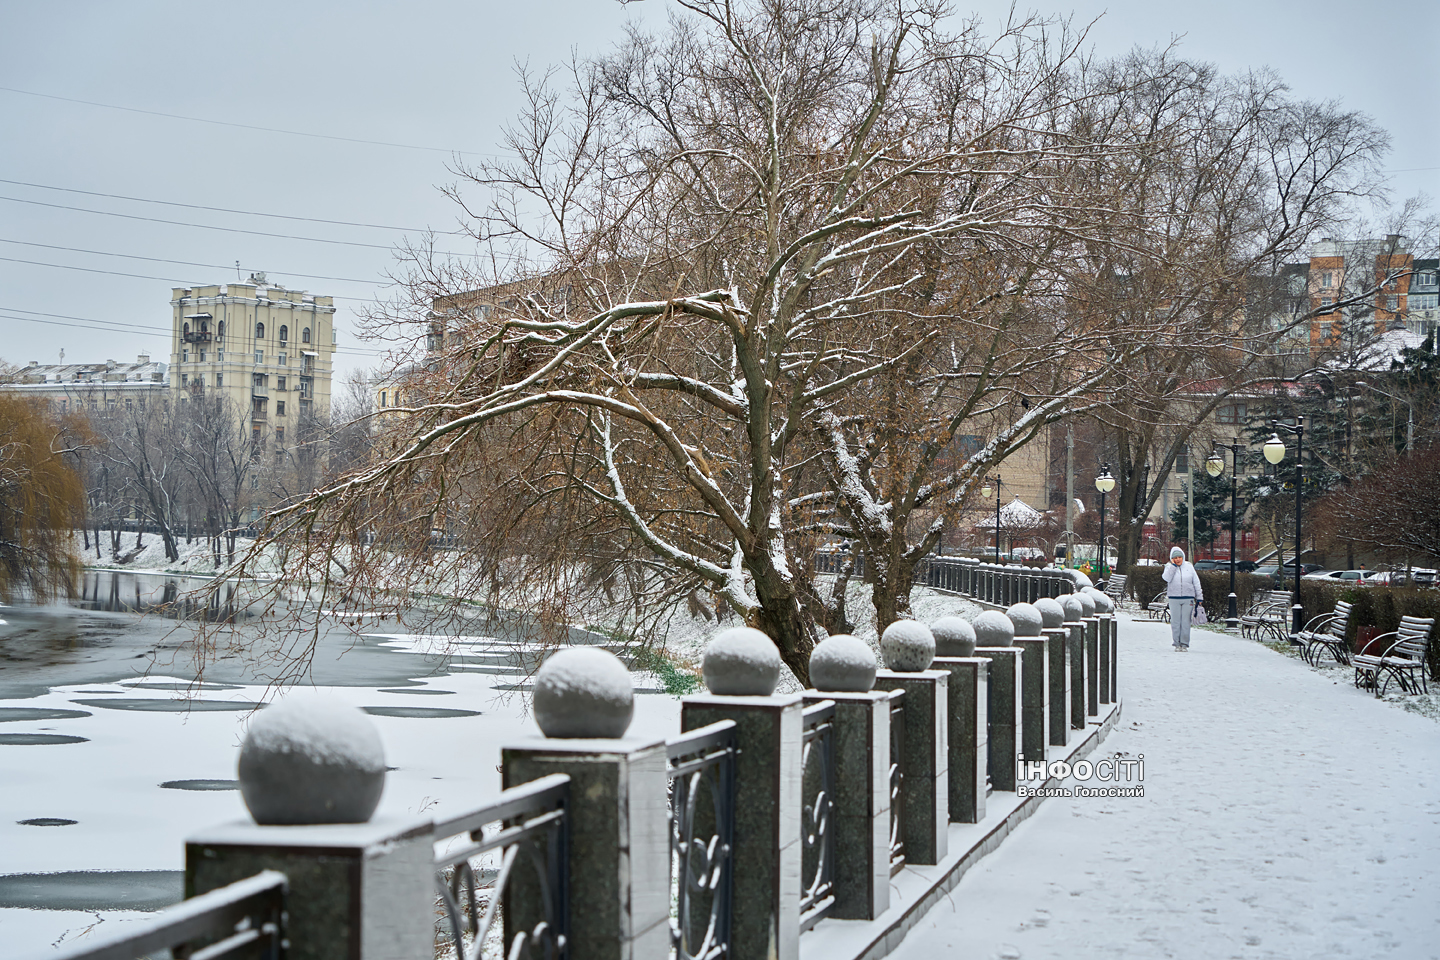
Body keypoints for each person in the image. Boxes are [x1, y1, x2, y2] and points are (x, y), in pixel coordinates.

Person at [1162, 546, 1203, 651]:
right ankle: (1176, 643)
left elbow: (1196, 582)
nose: (1178, 559)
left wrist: (1199, 597)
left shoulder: (1189, 566)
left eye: (1179, 557)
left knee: (1185, 622)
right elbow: (1166, 578)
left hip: (1188, 598)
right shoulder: (1169, 566)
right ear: (1172, 558)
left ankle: (1184, 644)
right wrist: (1173, 566)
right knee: (1175, 622)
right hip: (1174, 598)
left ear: (1183, 557)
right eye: (1175, 558)